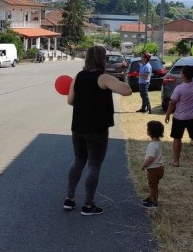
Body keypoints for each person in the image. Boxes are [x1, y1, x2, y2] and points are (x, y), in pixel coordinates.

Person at [64, 46, 133, 216]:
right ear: (102, 60)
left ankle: (69, 199)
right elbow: (127, 91)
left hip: (78, 128)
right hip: (97, 130)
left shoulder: (78, 76)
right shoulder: (103, 78)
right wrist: (124, 78)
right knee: (94, 166)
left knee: (78, 161)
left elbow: (70, 101)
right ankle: (88, 205)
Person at [164, 62, 193, 168]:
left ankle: (176, 161)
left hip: (179, 118)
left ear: (183, 75)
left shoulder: (179, 88)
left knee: (177, 138)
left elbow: (172, 103)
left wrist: (167, 114)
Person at [140, 120, 165, 209]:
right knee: (154, 185)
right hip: (159, 168)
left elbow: (150, 158)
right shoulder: (159, 143)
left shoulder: (152, 145)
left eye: (148, 129)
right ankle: (151, 198)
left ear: (150, 132)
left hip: (153, 169)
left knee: (152, 186)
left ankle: (153, 202)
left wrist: (143, 165)